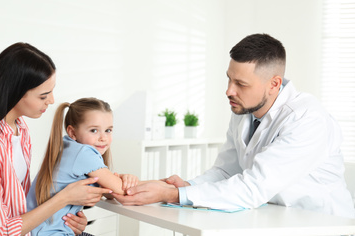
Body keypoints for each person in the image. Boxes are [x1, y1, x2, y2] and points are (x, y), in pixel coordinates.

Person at [113, 33, 355, 218]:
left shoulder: (307, 119)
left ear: (274, 83)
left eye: (241, 83)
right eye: (229, 78)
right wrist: (189, 186)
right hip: (274, 217)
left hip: (321, 223)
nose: (229, 90)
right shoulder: (244, 109)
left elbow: (254, 187)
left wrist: (174, 195)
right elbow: (227, 171)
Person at [0, 43, 111, 236]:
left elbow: (20, 204)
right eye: (43, 96)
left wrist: (62, 218)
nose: (51, 100)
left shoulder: (20, 130)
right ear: (14, 92)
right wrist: (62, 199)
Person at [27, 97, 139, 235]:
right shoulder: (83, 153)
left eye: (108, 130)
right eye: (94, 130)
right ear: (72, 132)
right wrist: (127, 181)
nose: (103, 137)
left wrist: (118, 180)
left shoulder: (68, 147)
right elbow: (123, 191)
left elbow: (110, 192)